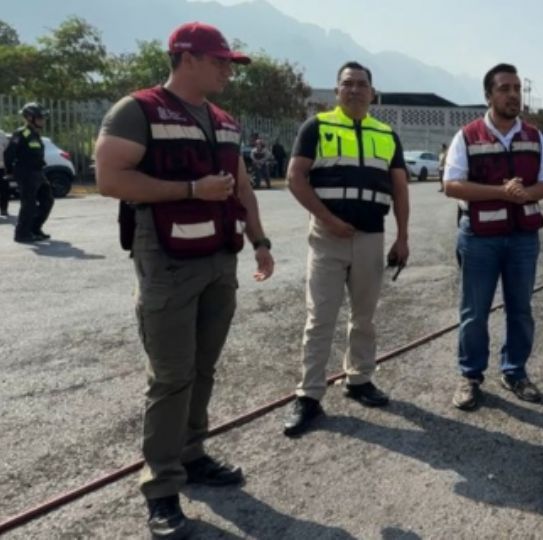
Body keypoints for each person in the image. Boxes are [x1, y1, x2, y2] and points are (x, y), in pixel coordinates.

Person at [94, 22, 275, 538]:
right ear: (185, 57)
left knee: (203, 368)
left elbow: (241, 185)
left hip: (220, 257)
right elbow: (109, 178)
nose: (226, 70)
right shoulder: (138, 109)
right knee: (171, 376)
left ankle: (193, 455)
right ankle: (162, 488)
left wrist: (260, 242)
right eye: (219, 61)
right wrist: (191, 187)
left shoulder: (224, 119)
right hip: (167, 261)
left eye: (229, 63)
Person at [282, 61, 410, 436]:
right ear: (336, 91)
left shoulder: (386, 134)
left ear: (372, 92)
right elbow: (295, 177)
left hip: (372, 237)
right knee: (320, 318)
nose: (354, 90)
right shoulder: (317, 127)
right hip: (327, 238)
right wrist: (327, 219)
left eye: (361, 84)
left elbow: (400, 189)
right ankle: (308, 395)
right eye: (347, 84)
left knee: (364, 316)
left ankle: (359, 380)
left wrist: (402, 237)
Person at [444, 63, 543, 411]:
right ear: (488, 95)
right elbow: (451, 185)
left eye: (517, 89)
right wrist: (501, 192)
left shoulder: (536, 138)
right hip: (478, 238)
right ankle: (470, 376)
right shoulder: (468, 136)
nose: (513, 95)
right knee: (474, 312)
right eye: (505, 88)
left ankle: (515, 372)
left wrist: (525, 194)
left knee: (521, 310)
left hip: (523, 239)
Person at [4, 103, 54, 242]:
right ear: (30, 118)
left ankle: (34, 229)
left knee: (47, 200)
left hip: (38, 172)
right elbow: (9, 153)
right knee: (29, 204)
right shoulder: (22, 133)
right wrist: (9, 172)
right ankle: (21, 234)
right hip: (25, 173)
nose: (43, 120)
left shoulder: (35, 135)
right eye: (40, 118)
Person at [0, 129, 9, 218]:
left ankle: (4, 209)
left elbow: (7, 149)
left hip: (1, 168)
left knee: (4, 190)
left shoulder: (1, 134)